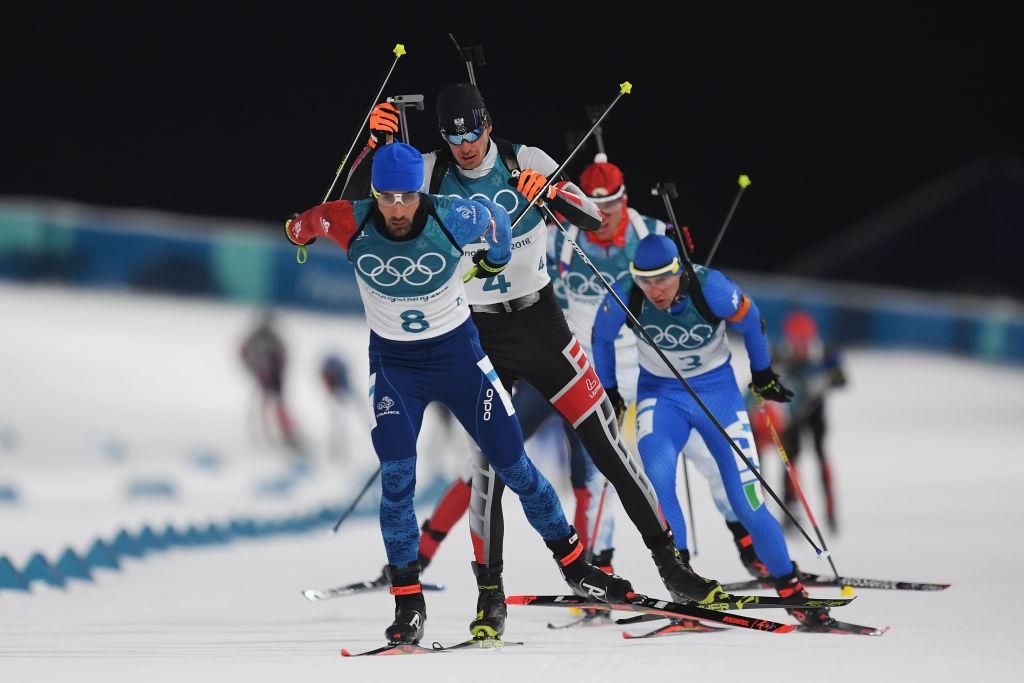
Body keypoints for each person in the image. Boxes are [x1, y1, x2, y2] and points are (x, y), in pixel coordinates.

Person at [347, 84, 723, 639]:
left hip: (541, 323)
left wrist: (552, 193)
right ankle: (489, 596)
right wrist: (370, 150)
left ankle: (674, 569)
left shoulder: (526, 160)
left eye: (472, 132)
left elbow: (595, 219)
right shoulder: (426, 173)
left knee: (606, 446)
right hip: (474, 333)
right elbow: (362, 209)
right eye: (452, 135)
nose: (465, 145)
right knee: (488, 468)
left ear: (488, 125)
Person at [284, 142, 632, 645]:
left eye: (408, 196)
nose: (400, 209)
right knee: (397, 482)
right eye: (388, 198)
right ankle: (409, 603)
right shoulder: (346, 218)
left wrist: (492, 264)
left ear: (420, 193)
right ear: (375, 195)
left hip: (461, 363)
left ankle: (577, 567)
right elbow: (303, 224)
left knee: (515, 468)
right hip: (397, 371)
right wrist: (296, 230)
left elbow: (500, 226)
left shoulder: (452, 214)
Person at [591, 234, 831, 627]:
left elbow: (753, 322)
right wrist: (611, 391)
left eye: (663, 281)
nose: (655, 291)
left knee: (746, 499)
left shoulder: (712, 287)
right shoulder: (625, 292)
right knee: (659, 484)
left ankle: (792, 592)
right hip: (660, 398)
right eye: (645, 282)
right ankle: (684, 590)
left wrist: (762, 374)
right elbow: (601, 338)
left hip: (718, 397)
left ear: (679, 271)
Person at [774, 310, 848, 533]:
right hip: (793, 411)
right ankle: (791, 510)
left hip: (816, 411)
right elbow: (765, 373)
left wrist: (829, 378)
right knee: (789, 459)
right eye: (795, 341)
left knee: (820, 454)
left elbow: (842, 379)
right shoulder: (781, 352)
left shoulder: (825, 351)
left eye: (804, 341)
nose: (800, 346)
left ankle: (830, 510)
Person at [240, 310, 303, 454]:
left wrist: (274, 371)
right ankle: (270, 434)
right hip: (266, 375)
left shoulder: (268, 338)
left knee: (274, 404)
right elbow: (244, 353)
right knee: (268, 404)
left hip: (273, 375)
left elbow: (282, 355)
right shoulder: (259, 338)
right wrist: (256, 371)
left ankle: (283, 433)